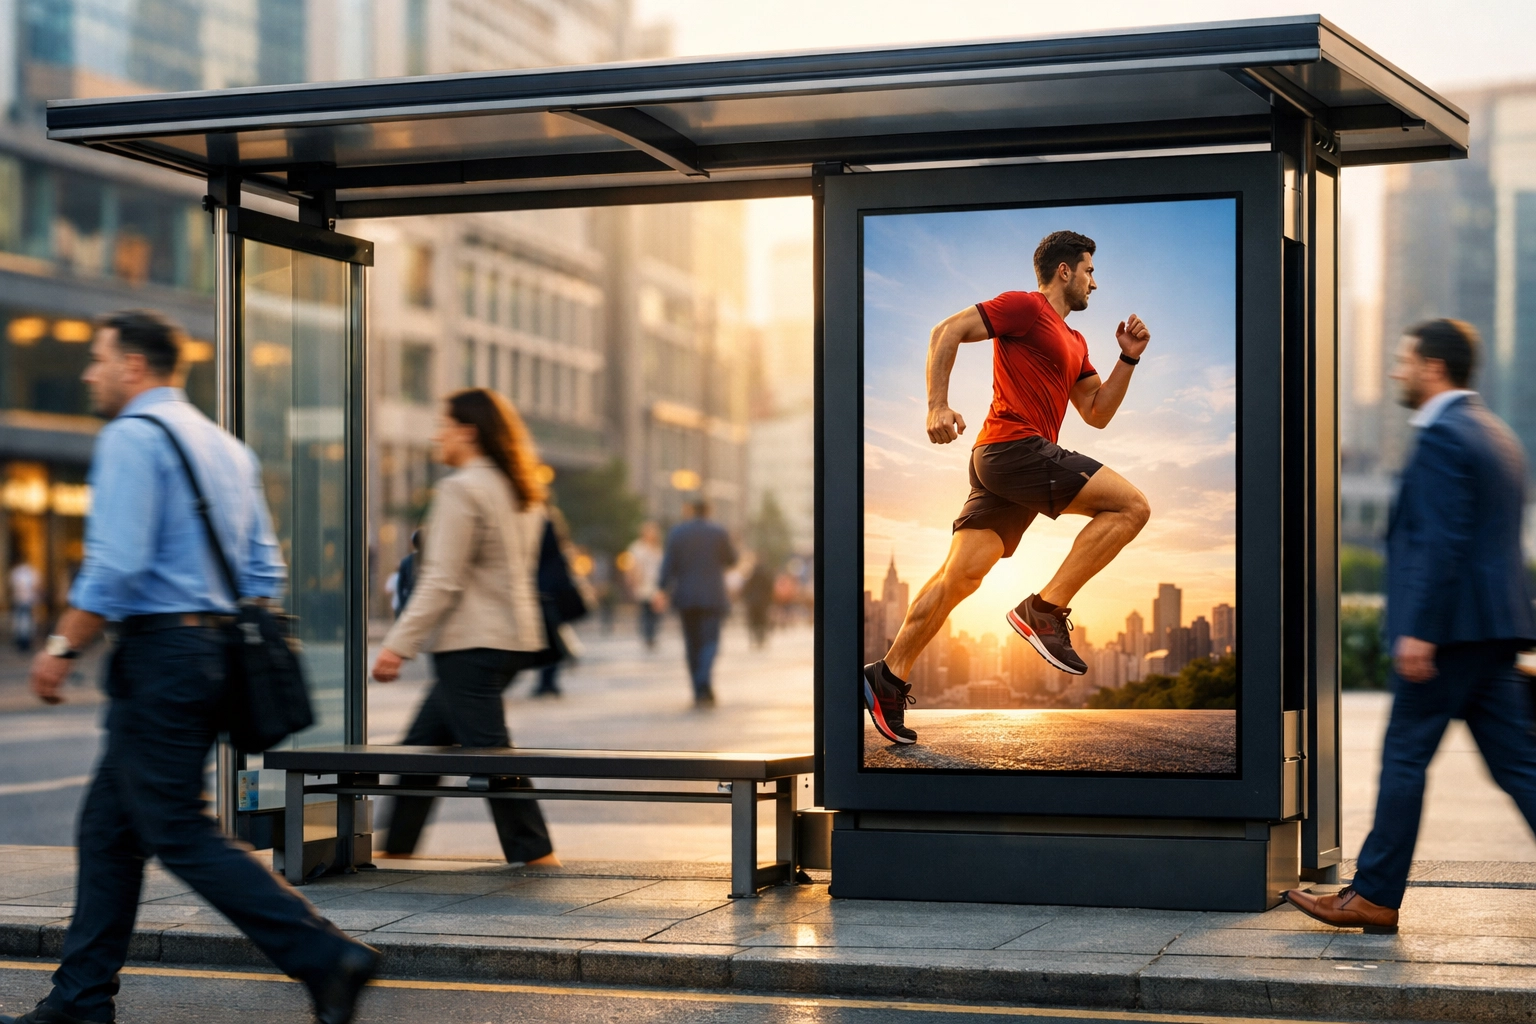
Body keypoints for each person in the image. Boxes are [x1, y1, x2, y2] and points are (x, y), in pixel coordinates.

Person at [12, 310, 376, 1024]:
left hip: (161, 654)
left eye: (97, 358)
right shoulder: (224, 447)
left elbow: (116, 564)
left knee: (176, 827)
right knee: (109, 832)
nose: (89, 372)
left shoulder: (131, 439)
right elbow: (264, 567)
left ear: (134, 367)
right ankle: (80, 1000)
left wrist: (60, 648)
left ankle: (326, 955)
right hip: (208, 653)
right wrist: (210, 629)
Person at [1285, 320, 1536, 933]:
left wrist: (1419, 630)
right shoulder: (1497, 435)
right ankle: (1374, 892)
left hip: (1447, 636)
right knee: (1520, 766)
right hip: (1492, 632)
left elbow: (1441, 542)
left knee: (1403, 759)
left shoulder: (1444, 437)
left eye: (1404, 360)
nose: (1396, 371)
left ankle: (1373, 894)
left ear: (1433, 367)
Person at [863, 231, 1152, 745]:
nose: (1094, 282)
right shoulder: (1025, 307)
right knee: (1131, 507)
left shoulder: (1077, 342)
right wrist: (936, 404)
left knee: (960, 578)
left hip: (1004, 465)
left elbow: (1097, 413)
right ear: (1064, 271)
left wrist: (1127, 359)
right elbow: (946, 330)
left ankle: (888, 674)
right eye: (1088, 270)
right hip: (1013, 448)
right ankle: (1044, 611)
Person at [370, 388, 559, 867]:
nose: (437, 434)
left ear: (468, 432)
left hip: (471, 643)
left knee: (489, 752)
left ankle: (536, 855)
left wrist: (398, 645)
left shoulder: (461, 488)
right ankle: (397, 846)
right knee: (421, 748)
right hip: (512, 637)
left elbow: (443, 578)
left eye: (444, 425)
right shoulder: (520, 489)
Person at [657, 500, 737, 707]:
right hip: (712, 596)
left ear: (690, 511)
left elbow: (668, 566)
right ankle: (704, 681)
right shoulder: (719, 532)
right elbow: (732, 560)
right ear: (709, 511)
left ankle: (698, 688)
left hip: (686, 596)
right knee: (710, 642)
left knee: (692, 644)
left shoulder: (677, 533)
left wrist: (661, 589)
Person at [625, 521, 664, 650]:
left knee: (656, 611)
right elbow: (631, 565)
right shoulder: (637, 547)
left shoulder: (658, 548)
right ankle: (648, 636)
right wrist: (632, 580)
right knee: (646, 610)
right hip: (643, 584)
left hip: (656, 584)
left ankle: (652, 634)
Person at [741, 553, 776, 649]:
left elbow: (746, 587)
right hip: (763, 601)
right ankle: (761, 639)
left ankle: (754, 640)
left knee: (753, 621)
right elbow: (770, 587)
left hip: (752, 601)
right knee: (762, 621)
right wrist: (770, 599)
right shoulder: (767, 572)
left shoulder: (751, 573)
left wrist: (745, 598)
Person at [387, 529, 421, 617]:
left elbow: (400, 585)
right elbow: (400, 585)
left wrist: (404, 603)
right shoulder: (408, 562)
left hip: (410, 603)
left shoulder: (406, 561)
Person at [9, 559, 38, 653]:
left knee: (24, 623)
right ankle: (23, 643)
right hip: (24, 600)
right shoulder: (30, 572)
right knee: (24, 623)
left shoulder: (19, 572)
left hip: (25, 600)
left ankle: (23, 643)